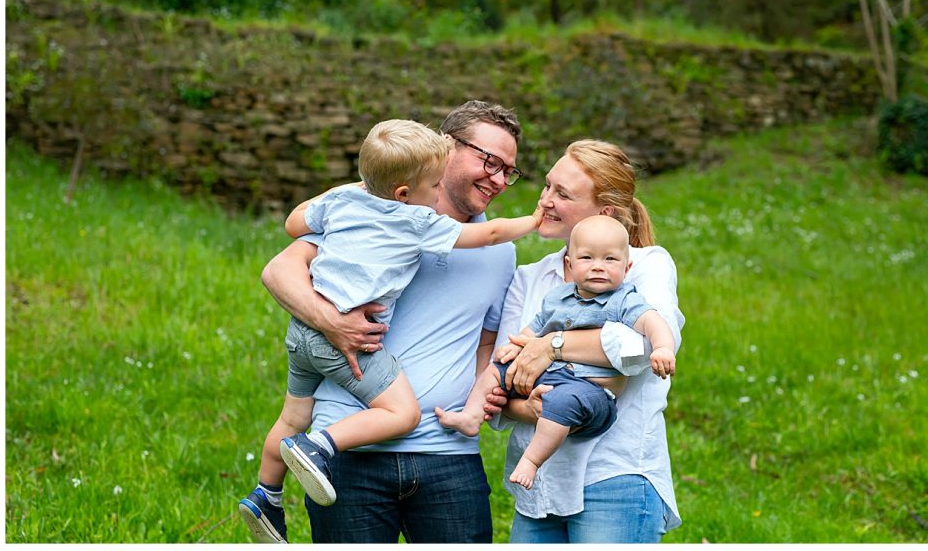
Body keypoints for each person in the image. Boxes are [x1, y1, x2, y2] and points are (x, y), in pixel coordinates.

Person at [239, 118, 541, 543]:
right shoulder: (368, 213)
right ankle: (276, 484)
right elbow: (278, 269)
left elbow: (486, 341)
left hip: (448, 457)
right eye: (488, 160)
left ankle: (266, 493)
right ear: (447, 147)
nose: (498, 178)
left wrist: (481, 397)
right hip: (348, 454)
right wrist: (332, 321)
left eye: (508, 170)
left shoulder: (500, 253)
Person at [486, 139, 685, 543]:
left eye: (563, 194)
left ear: (605, 213)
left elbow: (643, 348)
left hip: (614, 477)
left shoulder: (643, 266)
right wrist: (533, 406)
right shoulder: (531, 277)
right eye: (546, 187)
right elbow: (502, 383)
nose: (545, 201)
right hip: (536, 486)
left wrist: (550, 345)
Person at [436, 215, 675, 490]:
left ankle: (532, 461)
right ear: (570, 265)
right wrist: (515, 346)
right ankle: (471, 416)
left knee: (562, 402)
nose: (599, 267)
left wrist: (663, 347)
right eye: (587, 259)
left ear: (626, 266)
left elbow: (653, 322)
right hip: (549, 378)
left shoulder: (624, 300)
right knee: (498, 368)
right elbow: (533, 329)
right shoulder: (557, 298)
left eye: (610, 260)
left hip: (591, 390)